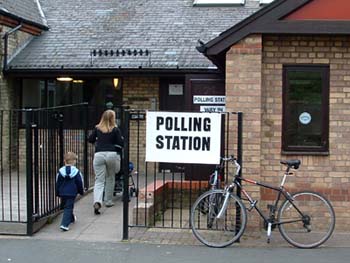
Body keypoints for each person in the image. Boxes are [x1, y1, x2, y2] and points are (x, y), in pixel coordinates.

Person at [88, 109, 124, 215]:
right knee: (110, 178)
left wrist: (97, 141)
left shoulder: (97, 128)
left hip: (99, 154)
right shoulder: (115, 129)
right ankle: (108, 201)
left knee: (99, 180)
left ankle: (97, 201)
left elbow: (90, 139)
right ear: (113, 118)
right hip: (111, 154)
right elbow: (121, 143)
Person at [56, 152, 84, 231]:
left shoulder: (60, 171)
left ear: (64, 161)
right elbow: (79, 182)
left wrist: (57, 192)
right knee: (69, 207)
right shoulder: (76, 172)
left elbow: (58, 182)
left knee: (67, 206)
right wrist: (81, 191)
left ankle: (71, 218)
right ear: (75, 161)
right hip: (72, 193)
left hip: (62, 192)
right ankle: (64, 224)